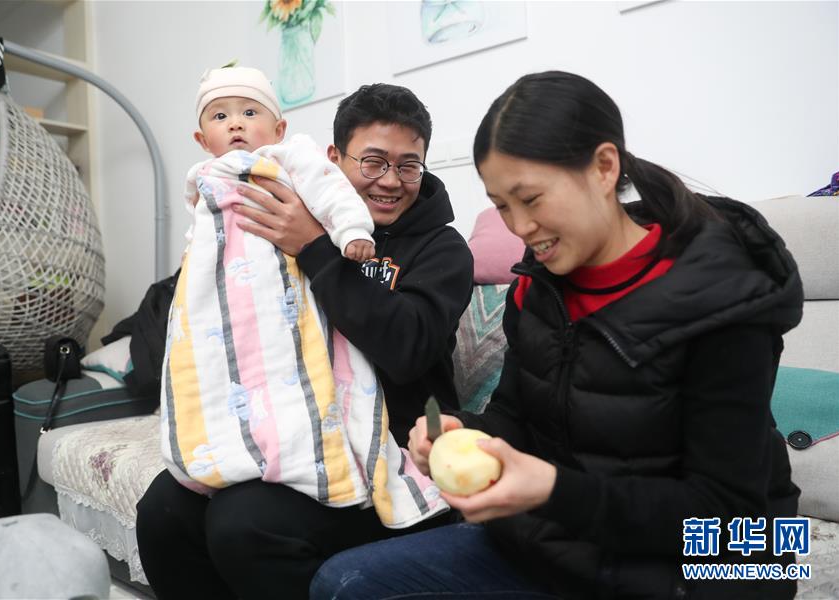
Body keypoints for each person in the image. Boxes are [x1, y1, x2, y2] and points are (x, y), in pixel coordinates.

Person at [310, 71, 803, 600]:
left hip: (708, 572)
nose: (519, 227)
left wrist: (552, 490)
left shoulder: (721, 299)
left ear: (604, 168)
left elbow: (728, 519)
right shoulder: (538, 286)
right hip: (559, 546)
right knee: (342, 584)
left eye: (531, 199)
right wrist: (463, 431)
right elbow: (516, 418)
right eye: (502, 205)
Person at [136, 82, 474, 599]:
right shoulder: (285, 212)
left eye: (409, 166)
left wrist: (316, 248)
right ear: (333, 158)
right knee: (163, 511)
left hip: (393, 451)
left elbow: (406, 351)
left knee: (242, 522)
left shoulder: (442, 249)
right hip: (293, 433)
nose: (391, 181)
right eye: (373, 162)